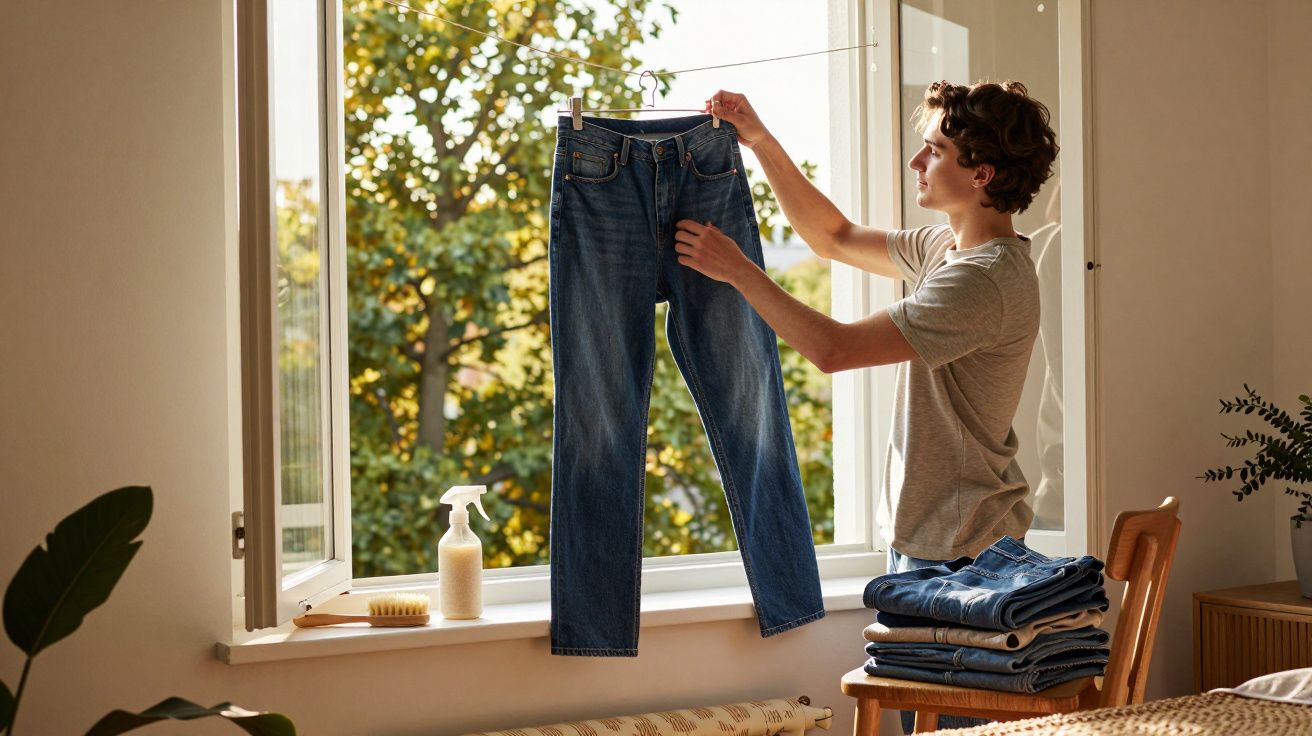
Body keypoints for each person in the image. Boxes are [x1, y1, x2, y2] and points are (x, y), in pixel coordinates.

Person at [675, 80, 1058, 732]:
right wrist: (760, 140)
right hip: (936, 541)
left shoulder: (982, 280)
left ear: (981, 174)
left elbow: (834, 350)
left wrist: (739, 272)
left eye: (934, 150)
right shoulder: (947, 250)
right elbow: (834, 236)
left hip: (959, 555)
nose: (916, 161)